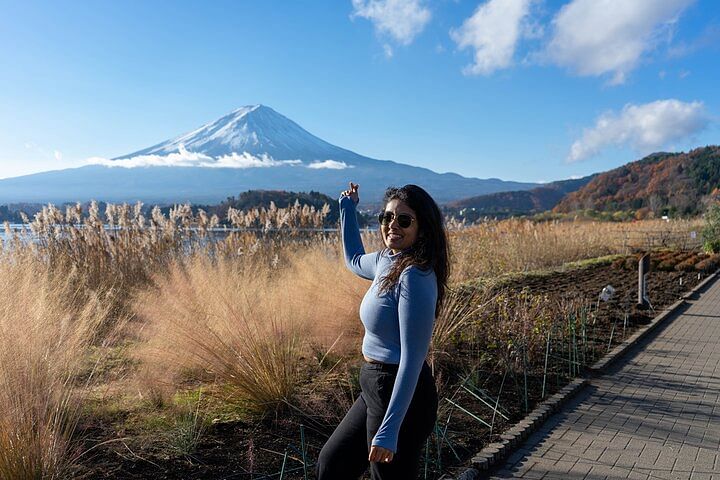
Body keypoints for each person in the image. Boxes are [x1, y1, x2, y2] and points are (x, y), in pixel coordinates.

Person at [316, 182, 449, 480]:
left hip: (401, 392)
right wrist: (347, 208)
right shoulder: (384, 261)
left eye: (404, 220)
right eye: (387, 218)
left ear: (422, 228)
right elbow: (352, 260)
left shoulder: (414, 275)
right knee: (331, 465)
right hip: (374, 385)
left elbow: (413, 359)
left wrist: (390, 428)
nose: (393, 226)